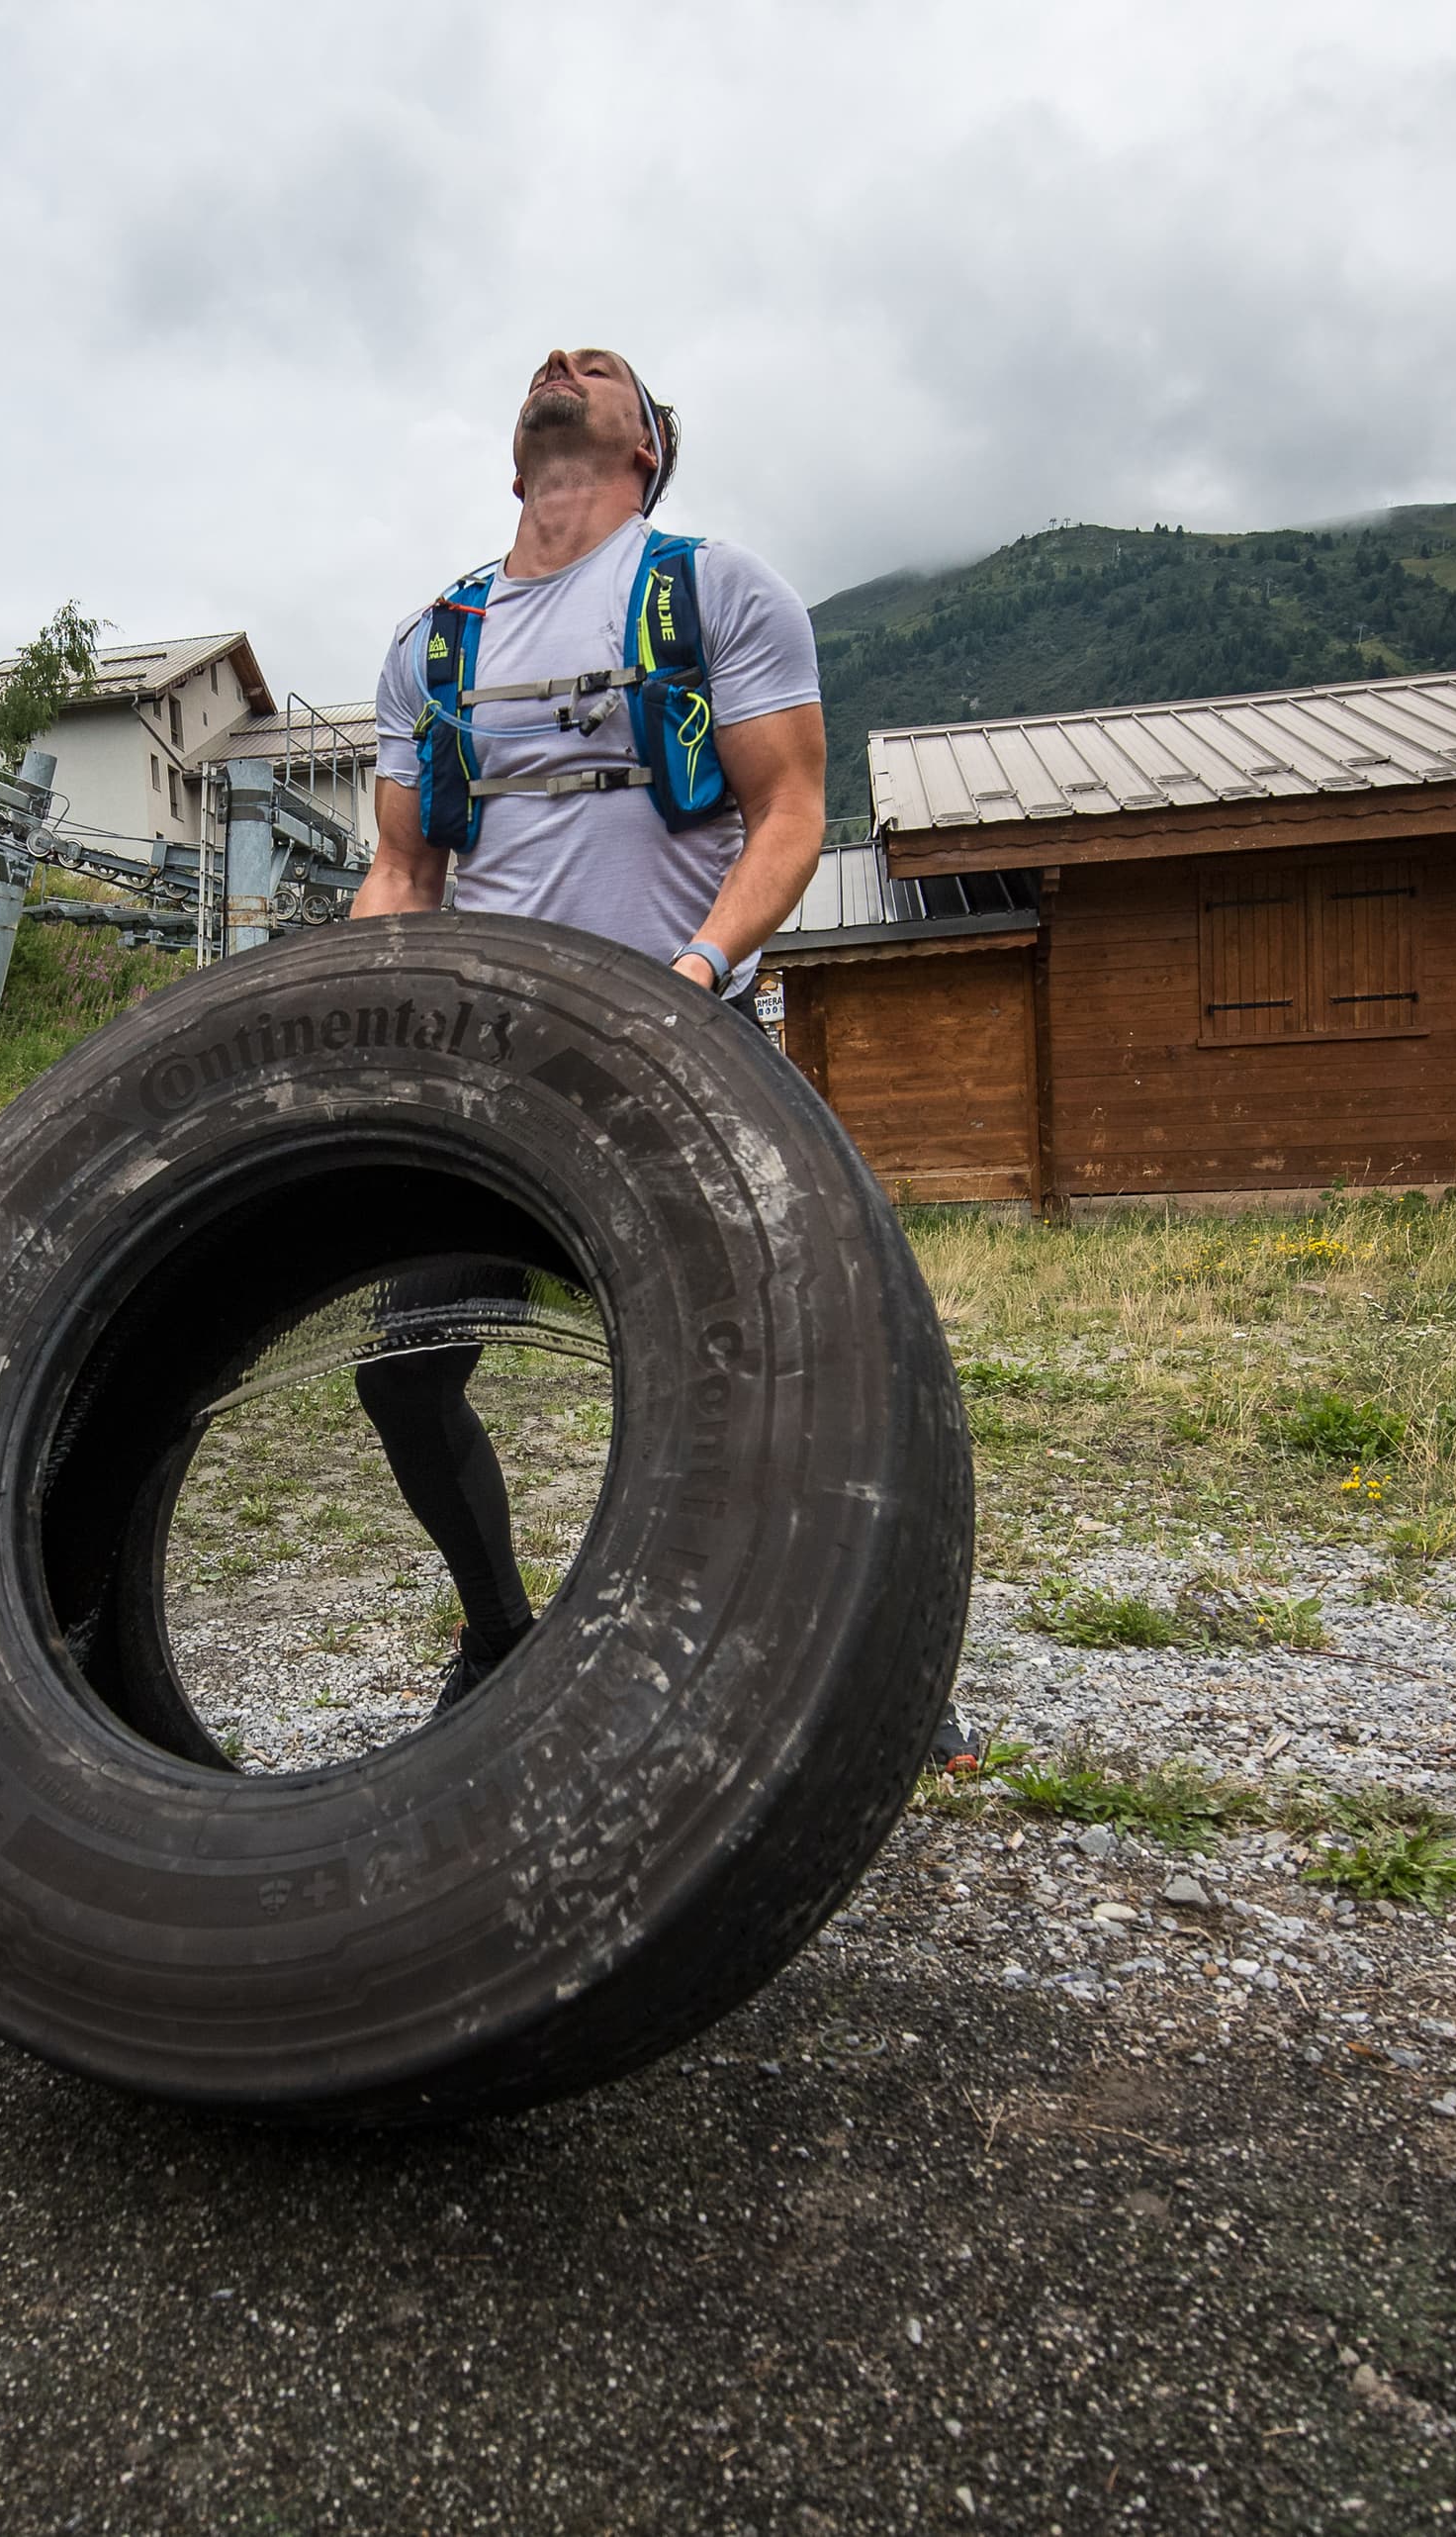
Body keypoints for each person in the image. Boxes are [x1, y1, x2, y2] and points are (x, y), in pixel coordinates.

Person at [351, 346, 973, 1765]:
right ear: (519, 460)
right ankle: (499, 1633)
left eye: (605, 370)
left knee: (799, 1376)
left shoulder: (716, 593)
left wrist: (698, 976)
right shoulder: (429, 644)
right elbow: (400, 872)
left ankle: (869, 1662)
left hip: (685, 1046)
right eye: (549, 370)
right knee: (403, 1370)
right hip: (492, 1076)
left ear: (646, 451)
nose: (567, 365)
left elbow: (793, 812)